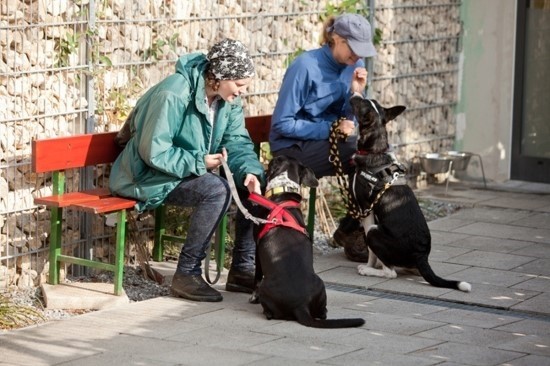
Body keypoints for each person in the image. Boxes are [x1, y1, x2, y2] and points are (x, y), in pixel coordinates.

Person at [109, 38, 265, 302]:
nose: (241, 92)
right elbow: (154, 151)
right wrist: (198, 162)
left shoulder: (227, 101)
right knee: (217, 190)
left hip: (179, 172)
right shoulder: (174, 93)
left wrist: (249, 172)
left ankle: (242, 269)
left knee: (252, 181)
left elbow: (237, 141)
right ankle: (186, 274)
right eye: (239, 85)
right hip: (145, 176)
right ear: (220, 75)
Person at [269, 13, 376, 262]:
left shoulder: (351, 68)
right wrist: (330, 129)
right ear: (336, 39)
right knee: (362, 155)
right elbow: (282, 123)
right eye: (353, 48)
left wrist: (355, 96)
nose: (357, 56)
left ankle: (350, 230)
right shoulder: (304, 66)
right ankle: (352, 231)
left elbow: (346, 122)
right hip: (290, 147)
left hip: (322, 144)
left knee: (374, 157)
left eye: (362, 51)